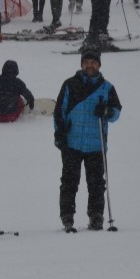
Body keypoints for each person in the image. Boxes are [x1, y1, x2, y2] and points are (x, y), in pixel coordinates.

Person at [54, 50, 122, 232]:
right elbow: (59, 111)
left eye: (93, 62)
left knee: (96, 182)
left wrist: (106, 112)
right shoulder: (70, 85)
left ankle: (96, 216)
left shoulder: (107, 87)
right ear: (81, 64)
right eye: (86, 62)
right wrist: (59, 134)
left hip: (96, 144)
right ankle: (67, 216)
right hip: (72, 143)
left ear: (99, 65)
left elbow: (116, 112)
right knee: (69, 181)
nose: (89, 65)